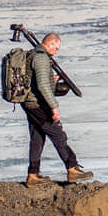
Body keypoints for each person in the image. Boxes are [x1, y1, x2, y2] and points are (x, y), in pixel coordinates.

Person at [22, 32, 92, 186]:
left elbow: (39, 81)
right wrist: (54, 107)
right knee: (58, 135)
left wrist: (54, 79)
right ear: (51, 44)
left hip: (30, 103)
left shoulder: (35, 56)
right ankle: (72, 168)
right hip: (37, 105)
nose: (57, 51)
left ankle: (33, 174)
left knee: (37, 137)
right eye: (57, 48)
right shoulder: (41, 58)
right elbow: (42, 86)